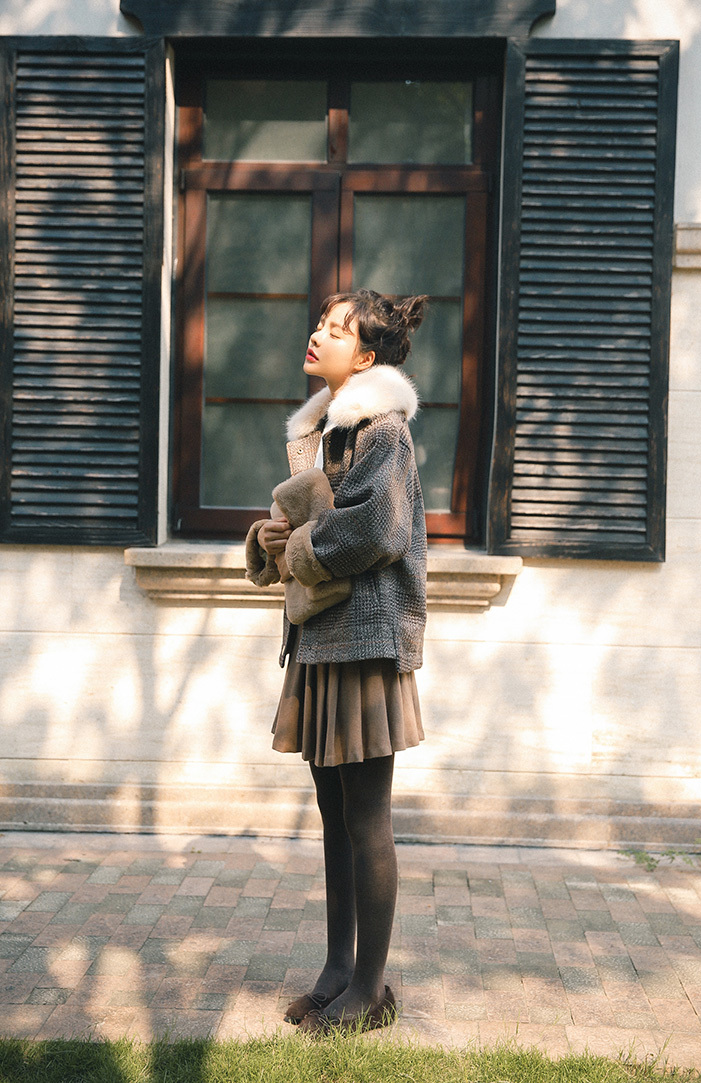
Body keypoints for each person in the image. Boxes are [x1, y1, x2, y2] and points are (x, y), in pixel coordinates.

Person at [253, 288, 428, 1035]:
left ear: (367, 357)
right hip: (321, 639)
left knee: (366, 818)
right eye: (320, 324)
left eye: (335, 329)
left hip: (364, 644)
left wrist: (297, 544)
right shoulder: (322, 431)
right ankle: (337, 972)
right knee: (333, 817)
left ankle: (371, 990)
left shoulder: (383, 431)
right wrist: (270, 538)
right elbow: (314, 521)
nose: (317, 335)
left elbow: (378, 531)